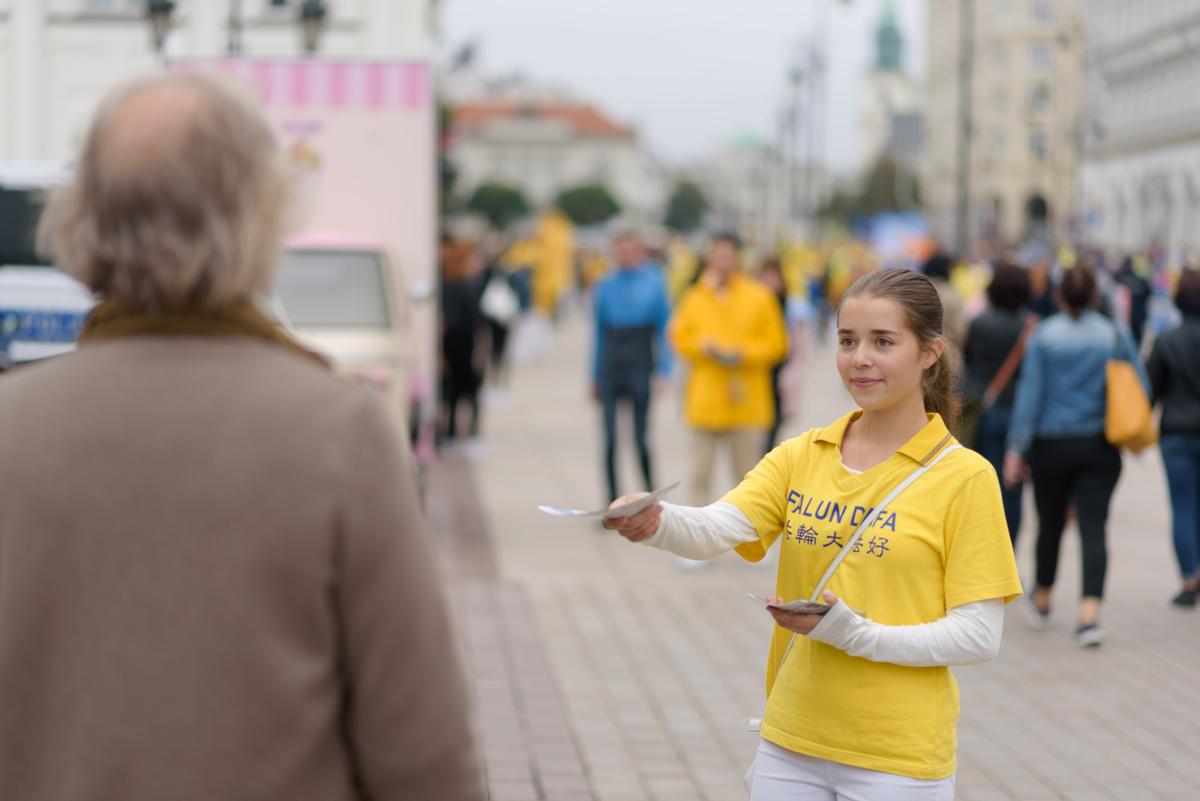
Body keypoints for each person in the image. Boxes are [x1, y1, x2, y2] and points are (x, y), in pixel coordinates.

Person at [0, 72, 485, 801]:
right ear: (261, 215)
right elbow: (422, 753)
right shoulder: (338, 432)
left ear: (80, 218)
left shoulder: (13, 423)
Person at [606, 268, 1021, 800]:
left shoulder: (964, 478)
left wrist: (855, 634)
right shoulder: (806, 452)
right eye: (847, 340)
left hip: (897, 760)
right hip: (791, 743)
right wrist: (655, 521)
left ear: (929, 353)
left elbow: (978, 635)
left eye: (883, 342)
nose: (859, 358)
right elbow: (718, 528)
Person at [1004, 264, 1149, 647]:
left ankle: (1044, 597)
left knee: (1049, 522)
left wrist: (1016, 448)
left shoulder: (1044, 336)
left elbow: (1030, 395)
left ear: (1059, 295)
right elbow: (1140, 384)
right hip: (1100, 444)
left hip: (1051, 445)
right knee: (1094, 526)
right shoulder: (1113, 334)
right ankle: (1089, 614)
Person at [670, 234, 788, 508]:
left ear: (738, 258)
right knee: (700, 473)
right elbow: (679, 338)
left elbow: (777, 344)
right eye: (717, 255)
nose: (722, 261)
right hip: (705, 399)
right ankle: (695, 539)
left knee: (748, 476)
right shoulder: (695, 296)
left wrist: (741, 353)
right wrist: (702, 348)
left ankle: (753, 539)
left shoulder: (759, 297)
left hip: (746, 399)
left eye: (728, 255)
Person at [592, 231, 672, 503]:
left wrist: (665, 370)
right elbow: (599, 333)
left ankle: (652, 498)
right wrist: (594, 375)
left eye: (629, 250)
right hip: (612, 363)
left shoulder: (653, 283)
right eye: (619, 250)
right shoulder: (605, 285)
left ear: (639, 251)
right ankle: (611, 500)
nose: (624, 256)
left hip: (640, 360)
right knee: (610, 439)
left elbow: (664, 330)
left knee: (641, 438)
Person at [962, 261, 1034, 541]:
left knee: (984, 485)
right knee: (1012, 487)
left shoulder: (979, 323)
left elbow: (968, 363)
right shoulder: (1028, 327)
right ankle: (1008, 553)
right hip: (1017, 412)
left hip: (983, 410)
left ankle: (982, 547)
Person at [1146, 269, 1200, 607]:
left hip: (1177, 433)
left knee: (1182, 505)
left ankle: (1188, 578)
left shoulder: (1166, 340)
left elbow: (1150, 391)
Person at [439, 234, 486, 451]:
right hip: (456, 346)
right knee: (457, 392)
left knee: (461, 392)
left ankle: (458, 433)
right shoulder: (459, 286)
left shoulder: (462, 285)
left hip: (459, 345)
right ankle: (458, 433)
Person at [758, 257, 792, 454]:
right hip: (760, 370)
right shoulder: (755, 304)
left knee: (776, 417)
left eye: (773, 277)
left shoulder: (790, 306)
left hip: (781, 370)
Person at [921, 251, 966, 350]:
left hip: (918, 353)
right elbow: (959, 331)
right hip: (947, 353)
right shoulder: (952, 296)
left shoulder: (917, 290)